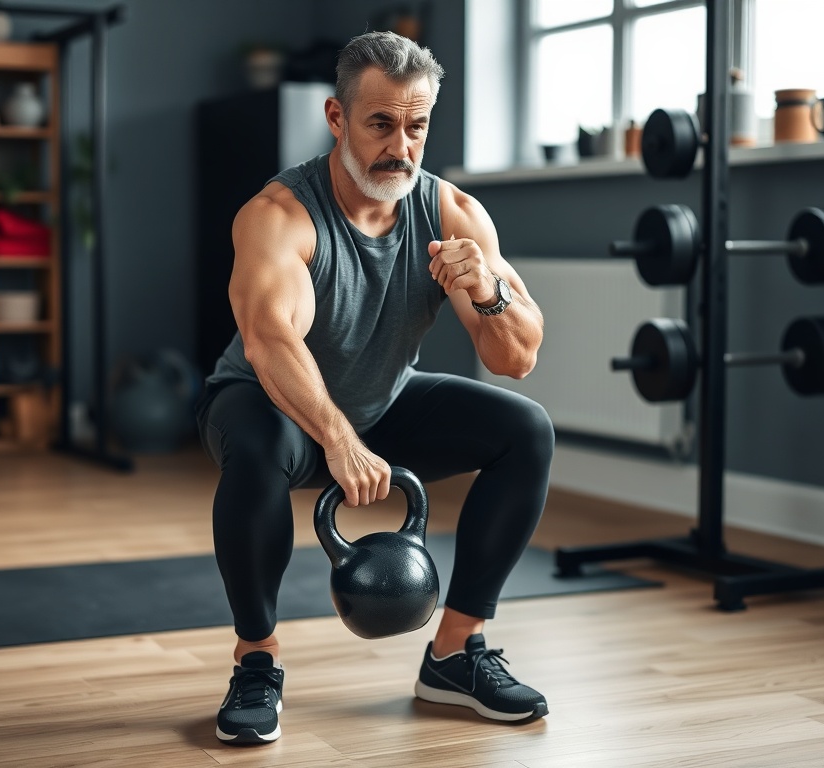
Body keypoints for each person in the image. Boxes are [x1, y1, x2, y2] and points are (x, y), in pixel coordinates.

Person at [195, 30, 554, 745]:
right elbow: (271, 342)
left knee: (526, 430)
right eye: (380, 123)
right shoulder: (280, 216)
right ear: (337, 118)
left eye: (415, 126)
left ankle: (455, 654)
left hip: (383, 399)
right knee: (259, 450)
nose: (401, 145)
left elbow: (516, 356)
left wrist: (486, 291)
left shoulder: (451, 213)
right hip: (270, 401)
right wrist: (336, 439)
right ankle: (256, 662)